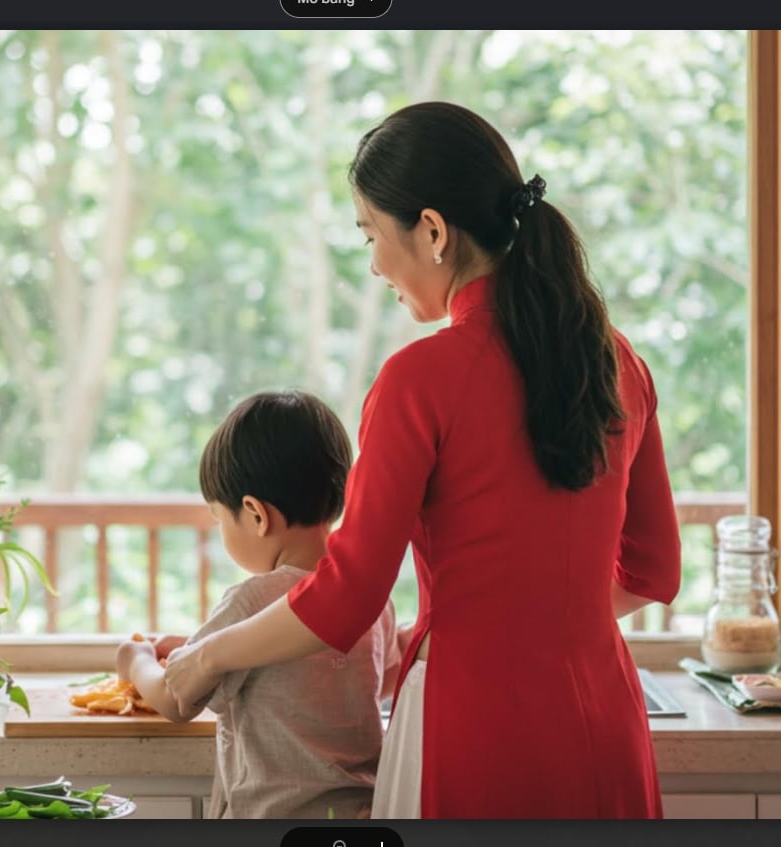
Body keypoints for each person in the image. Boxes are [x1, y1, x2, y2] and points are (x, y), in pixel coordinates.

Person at [162, 101, 682, 819]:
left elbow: (345, 597)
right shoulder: (619, 361)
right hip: (606, 720)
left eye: (371, 234)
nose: (375, 263)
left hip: (473, 727)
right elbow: (654, 573)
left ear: (432, 231)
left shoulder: (419, 380)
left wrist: (207, 654)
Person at [116, 390, 401, 819]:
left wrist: (136, 661)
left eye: (219, 518)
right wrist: (193, 644)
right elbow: (367, 679)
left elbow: (176, 700)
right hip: (360, 816)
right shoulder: (371, 598)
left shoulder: (251, 599)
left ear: (255, 514)